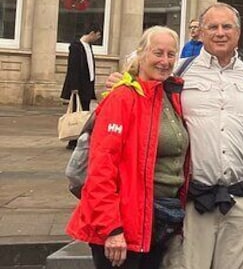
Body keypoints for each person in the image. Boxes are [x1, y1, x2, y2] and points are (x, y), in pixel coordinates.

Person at [164, 3, 243, 269]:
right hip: (193, 204)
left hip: (242, 203)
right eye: (212, 27)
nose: (220, 33)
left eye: (227, 26)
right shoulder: (178, 73)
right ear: (200, 33)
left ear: (238, 33)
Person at [66, 26, 189, 269]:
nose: (164, 61)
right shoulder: (123, 97)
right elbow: (101, 168)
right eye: (158, 53)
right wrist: (112, 228)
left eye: (171, 54)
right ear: (141, 54)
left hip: (160, 218)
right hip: (124, 222)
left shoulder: (170, 95)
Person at [60, 23, 103, 115]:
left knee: (85, 111)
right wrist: (74, 87)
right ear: (92, 33)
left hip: (88, 84)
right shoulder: (76, 47)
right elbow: (73, 67)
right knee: (77, 111)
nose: (97, 38)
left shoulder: (89, 46)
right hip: (79, 86)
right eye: (97, 35)